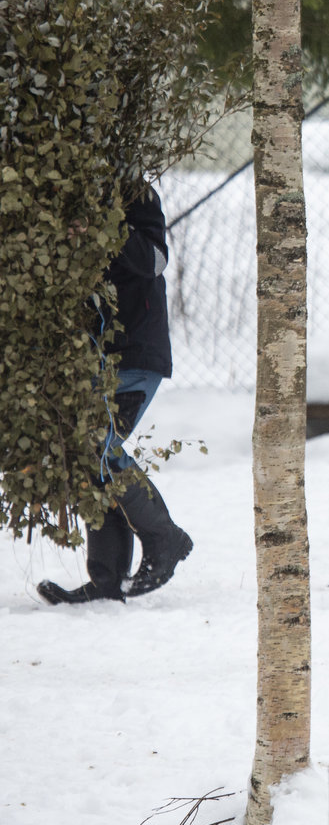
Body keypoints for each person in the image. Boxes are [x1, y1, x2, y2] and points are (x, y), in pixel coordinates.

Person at [37, 186, 194, 604]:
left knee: (98, 447)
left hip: (135, 354)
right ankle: (107, 578)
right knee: (88, 456)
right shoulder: (71, 191)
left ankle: (165, 537)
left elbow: (155, 260)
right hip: (94, 358)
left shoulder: (135, 194)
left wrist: (105, 226)